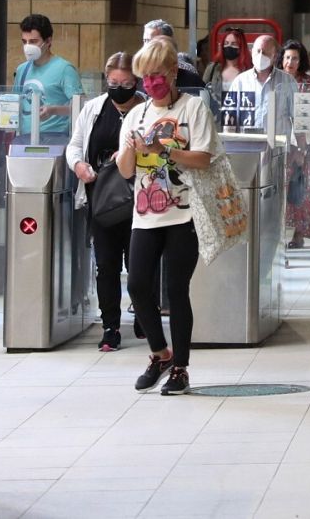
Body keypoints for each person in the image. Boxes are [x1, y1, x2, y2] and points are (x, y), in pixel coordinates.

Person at [115, 38, 223, 395]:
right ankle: (160, 353)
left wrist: (164, 150)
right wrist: (131, 149)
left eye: (157, 76)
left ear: (173, 73)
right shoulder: (137, 114)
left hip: (185, 212)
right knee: (137, 285)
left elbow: (204, 158)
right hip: (146, 213)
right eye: (144, 78)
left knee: (177, 290)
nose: (151, 84)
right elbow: (126, 171)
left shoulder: (192, 109)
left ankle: (180, 368)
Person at [66, 51, 144, 351]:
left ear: (135, 81)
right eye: (113, 82)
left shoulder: (146, 109)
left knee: (140, 265)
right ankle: (110, 325)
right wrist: (79, 166)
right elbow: (74, 146)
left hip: (141, 202)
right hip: (101, 200)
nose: (119, 88)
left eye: (126, 82)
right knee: (106, 266)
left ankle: (142, 316)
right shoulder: (94, 109)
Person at [277, 40, 310, 249]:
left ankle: (299, 233)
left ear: (301, 60)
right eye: (287, 57)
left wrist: (304, 146)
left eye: (295, 58)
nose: (290, 61)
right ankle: (278, 232)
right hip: (280, 142)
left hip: (305, 143)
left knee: (304, 188)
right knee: (280, 188)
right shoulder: (275, 80)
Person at [13, 14, 82, 143]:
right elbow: (16, 103)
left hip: (55, 137)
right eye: (24, 42)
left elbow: (81, 106)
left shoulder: (64, 69)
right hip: (24, 137)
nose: (28, 46)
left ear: (48, 41)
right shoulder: (22, 70)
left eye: (33, 41)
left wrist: (54, 110)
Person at [227, 34, 299, 132]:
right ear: (251, 52)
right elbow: (229, 120)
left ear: (275, 56)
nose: (260, 56)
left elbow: (297, 118)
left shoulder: (288, 82)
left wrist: (301, 146)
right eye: (258, 51)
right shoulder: (240, 82)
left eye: (265, 53)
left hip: (277, 144)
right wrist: (229, 144)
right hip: (246, 144)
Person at [144, 19, 205, 89]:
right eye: (145, 40)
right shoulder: (139, 72)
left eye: (152, 41)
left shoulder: (186, 71)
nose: (146, 46)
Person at [202, 25, 250, 94]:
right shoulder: (212, 68)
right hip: (216, 104)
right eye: (226, 43)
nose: (229, 46)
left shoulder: (248, 69)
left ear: (241, 47)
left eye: (234, 44)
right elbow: (203, 91)